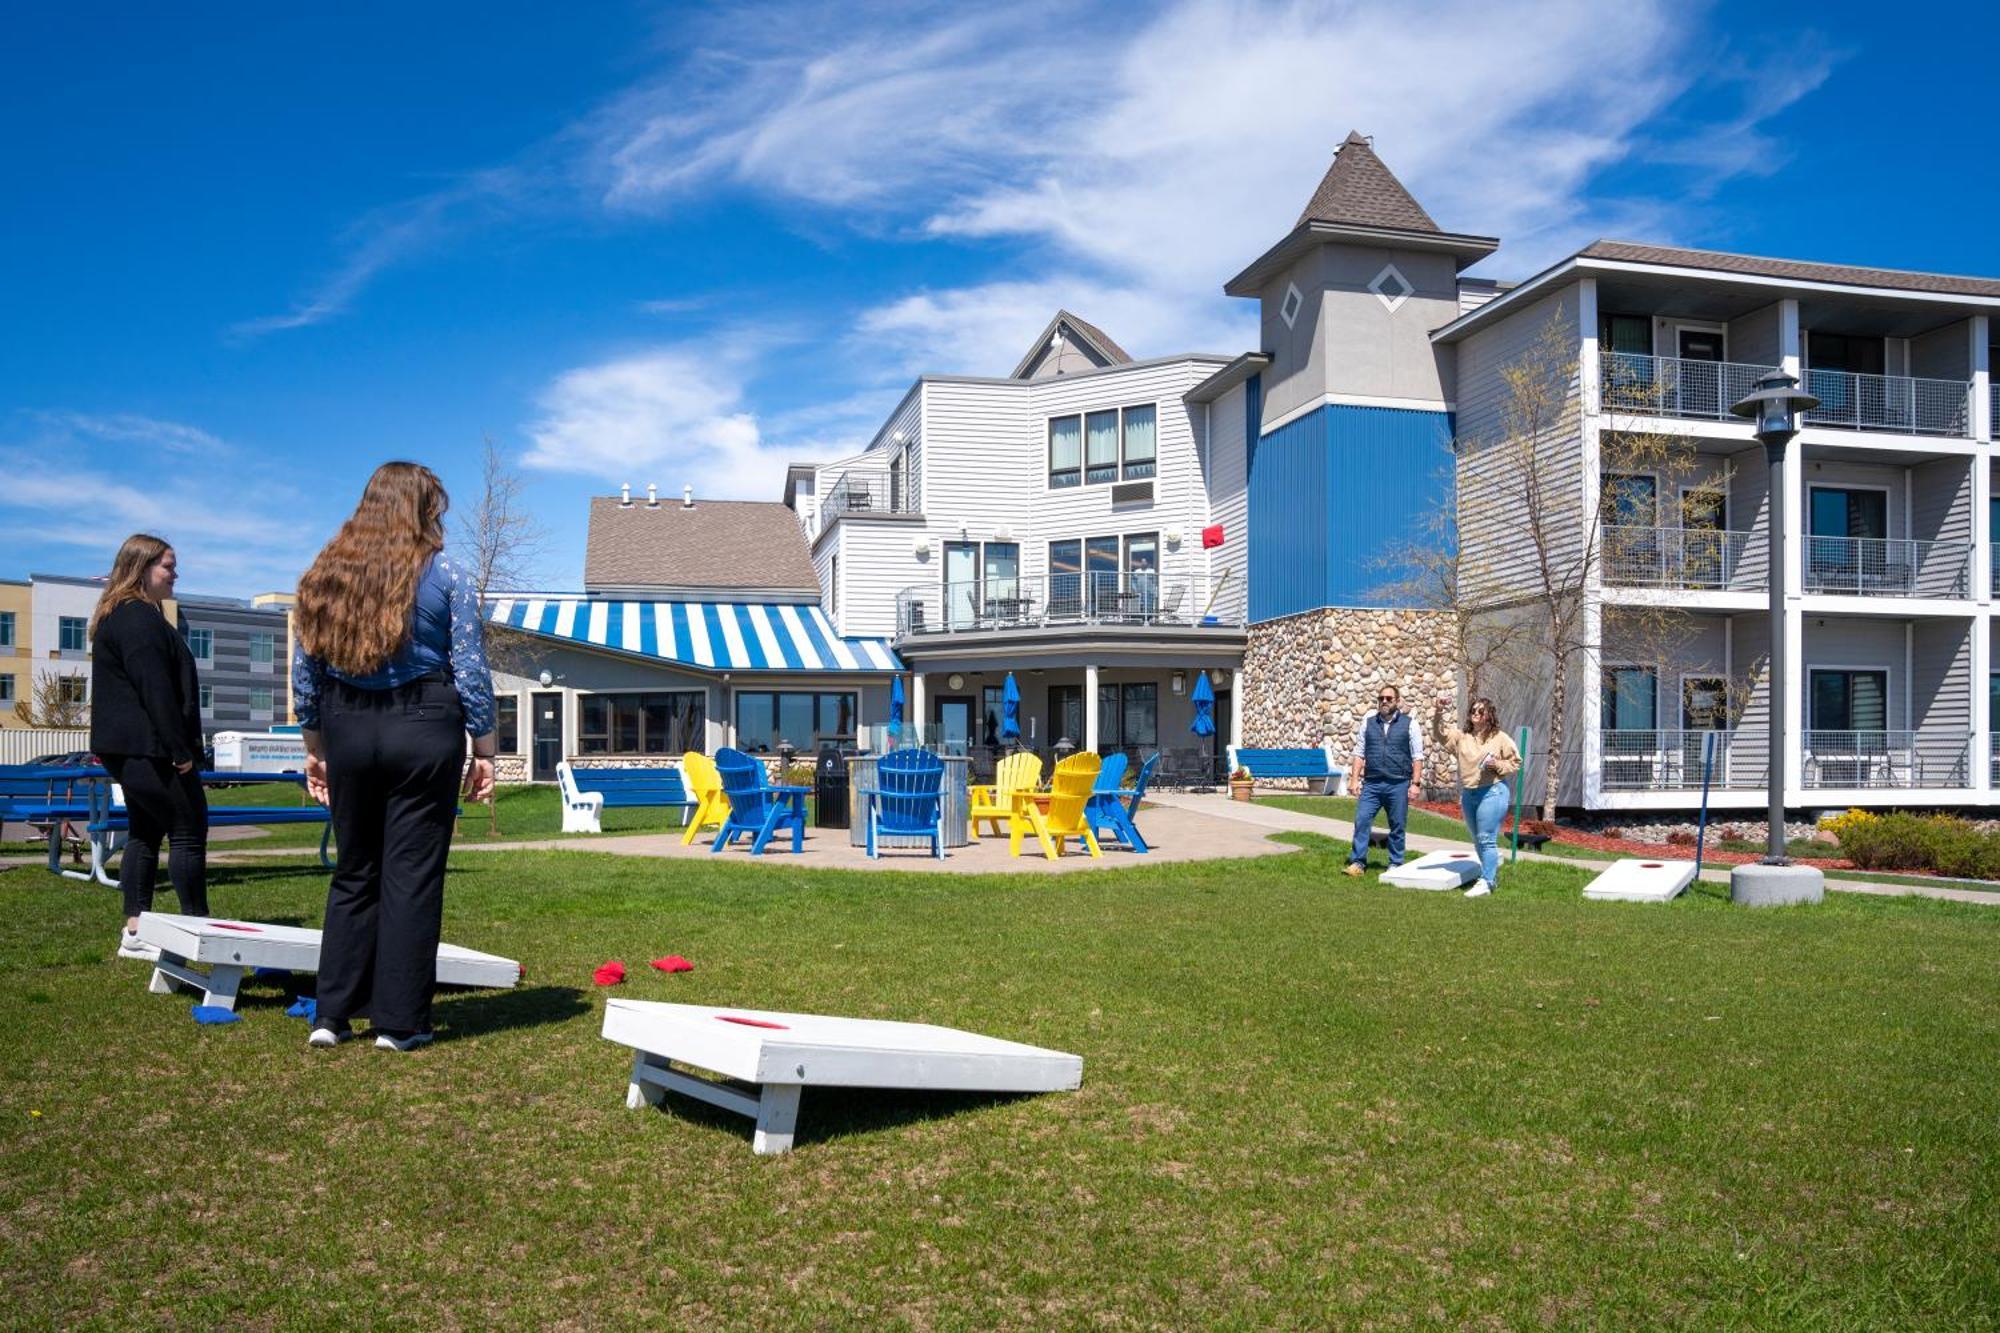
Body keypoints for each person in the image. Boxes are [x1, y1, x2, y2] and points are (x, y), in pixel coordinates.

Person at [293, 462, 496, 1052]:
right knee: (411, 875)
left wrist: (316, 749)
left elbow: (305, 671)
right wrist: (483, 749)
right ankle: (399, 1023)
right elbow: (470, 668)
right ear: (423, 509)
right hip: (426, 724)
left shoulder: (323, 575)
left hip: (346, 724)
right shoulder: (448, 574)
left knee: (354, 870)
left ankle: (332, 1015)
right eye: (435, 507)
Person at [89, 534, 208, 960]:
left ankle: (136, 931)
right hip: (151, 749)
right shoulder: (137, 618)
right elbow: (155, 689)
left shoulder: (125, 614)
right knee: (188, 831)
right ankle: (199, 930)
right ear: (142, 568)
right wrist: (180, 750)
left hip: (133, 749)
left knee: (145, 832)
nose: (175, 574)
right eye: (168, 566)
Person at [1433, 694, 1522, 897]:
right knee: (1477, 839)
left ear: (1489, 715)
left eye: (1480, 711)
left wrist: (1497, 765)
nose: (1476, 714)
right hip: (1469, 793)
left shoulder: (1500, 737)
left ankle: (1487, 882)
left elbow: (1516, 761)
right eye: (1473, 710)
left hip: (1493, 791)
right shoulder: (1462, 737)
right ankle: (1489, 877)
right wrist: (1439, 711)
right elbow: (1439, 734)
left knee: (1486, 838)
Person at [1343, 684, 1423, 876]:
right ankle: (1358, 863)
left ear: (1397, 701)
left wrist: (1416, 783)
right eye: (1381, 699)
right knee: (1361, 820)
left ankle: (1395, 863)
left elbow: (1417, 757)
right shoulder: (1368, 723)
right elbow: (1359, 753)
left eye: (1388, 698)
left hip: (1398, 783)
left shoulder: (1410, 724)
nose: (1384, 702)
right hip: (1372, 783)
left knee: (1397, 825)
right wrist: (1354, 780)